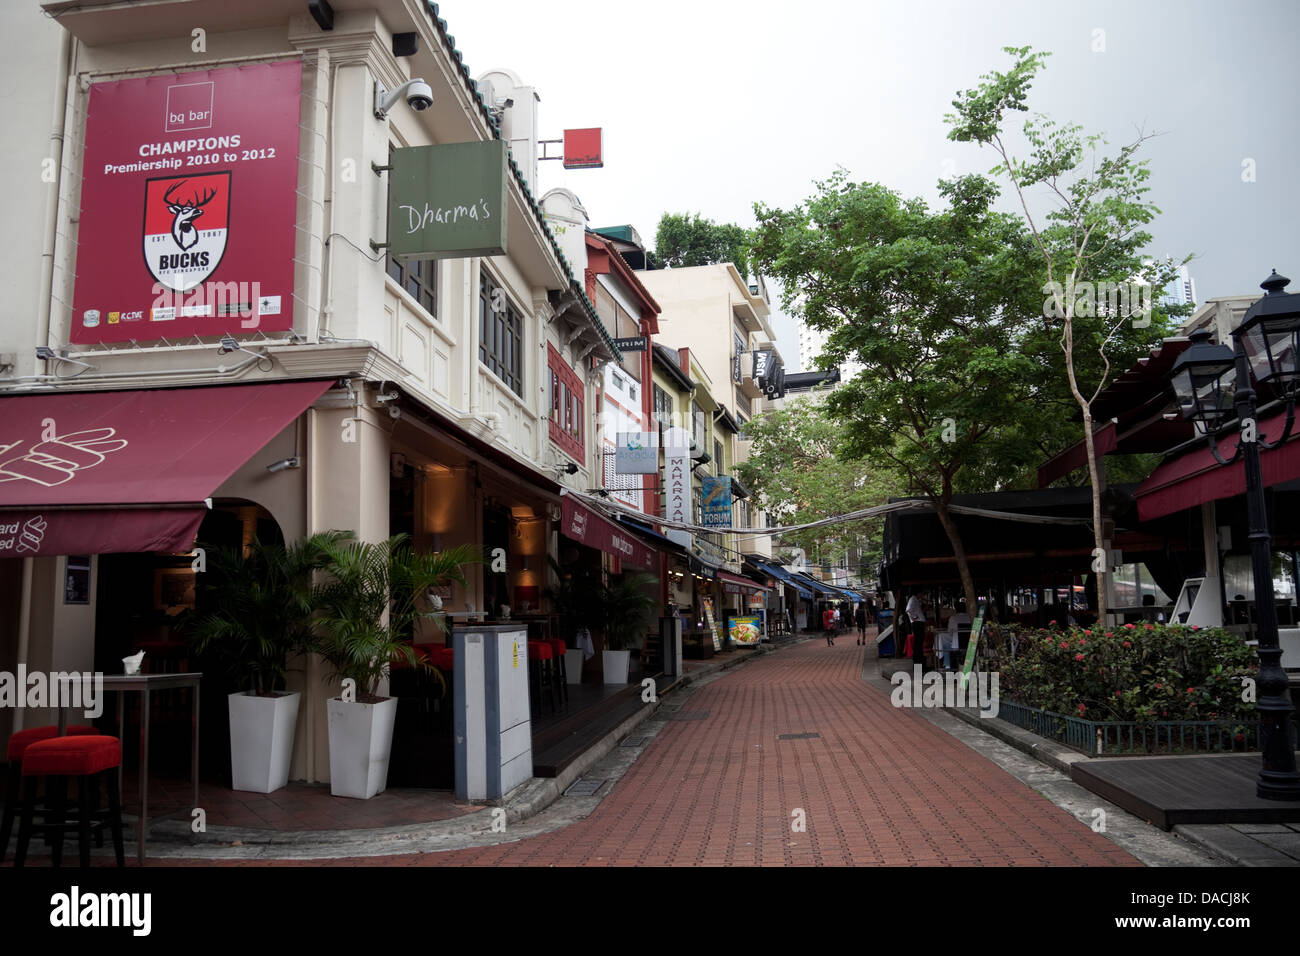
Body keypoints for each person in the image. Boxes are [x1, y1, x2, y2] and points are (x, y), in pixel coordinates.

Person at [906, 591, 926, 669]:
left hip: (918, 622)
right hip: (917, 623)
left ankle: (919, 663)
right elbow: (908, 609)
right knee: (918, 644)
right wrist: (914, 617)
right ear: (919, 593)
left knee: (919, 644)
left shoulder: (915, 600)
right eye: (922, 593)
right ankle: (918, 663)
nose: (922, 595)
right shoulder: (913, 599)